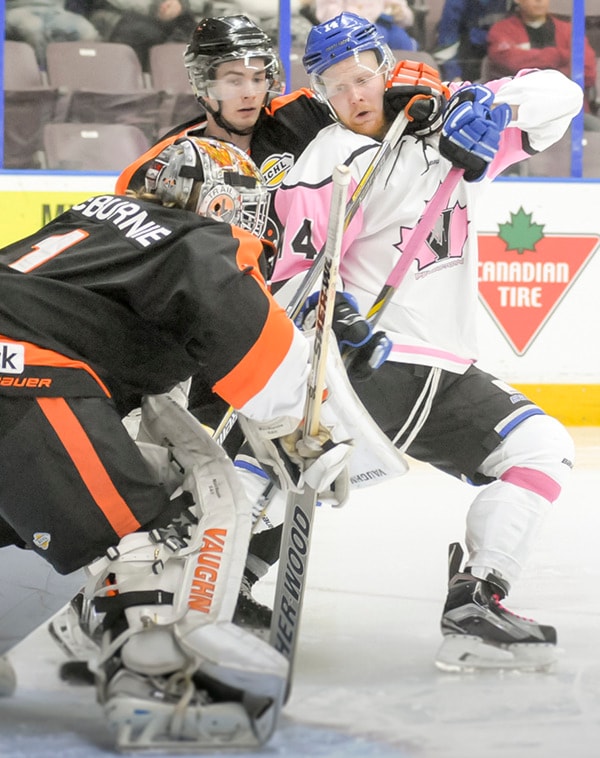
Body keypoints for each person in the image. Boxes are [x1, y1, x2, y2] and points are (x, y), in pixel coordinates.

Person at [0, 136, 351, 748]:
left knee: (30, 531)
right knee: (136, 540)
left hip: (18, 364)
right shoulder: (193, 237)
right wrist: (311, 432)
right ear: (218, 204)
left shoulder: (92, 224)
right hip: (19, 374)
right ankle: (153, 685)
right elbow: (256, 346)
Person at [268, 11, 581, 671]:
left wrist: (484, 102)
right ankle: (211, 588)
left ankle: (478, 597)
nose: (354, 95)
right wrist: (335, 312)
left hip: (447, 373)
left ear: (384, 68)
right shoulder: (327, 157)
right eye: (336, 85)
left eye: (361, 77)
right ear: (321, 93)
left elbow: (565, 98)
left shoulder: (447, 131)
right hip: (366, 370)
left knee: (542, 447)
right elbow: (295, 274)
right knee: (274, 474)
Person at [487, 0, 600, 131]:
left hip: (567, 109)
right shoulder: (501, 30)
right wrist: (560, 56)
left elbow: (587, 71)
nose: (539, 0)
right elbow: (509, 63)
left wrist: (533, 60)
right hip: (516, 110)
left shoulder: (569, 30)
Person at [88, 0, 204, 71]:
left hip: (177, 16)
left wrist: (182, 4)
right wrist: (157, 6)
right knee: (145, 33)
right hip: (117, 13)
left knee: (199, 35)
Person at [433, 0, 514, 81]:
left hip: (504, 69)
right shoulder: (456, 3)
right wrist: (454, 75)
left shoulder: (512, 3)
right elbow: (447, 44)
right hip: (467, 63)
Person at [5, 0, 100, 67]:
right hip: (17, 9)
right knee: (32, 27)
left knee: (86, 31)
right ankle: (41, 77)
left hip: (54, 11)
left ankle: (82, 77)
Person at [314, 0, 419, 50]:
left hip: (387, 24)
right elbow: (328, 17)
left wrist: (400, 13)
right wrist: (362, 17)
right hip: (351, 29)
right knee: (376, 36)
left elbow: (408, 20)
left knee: (401, 39)